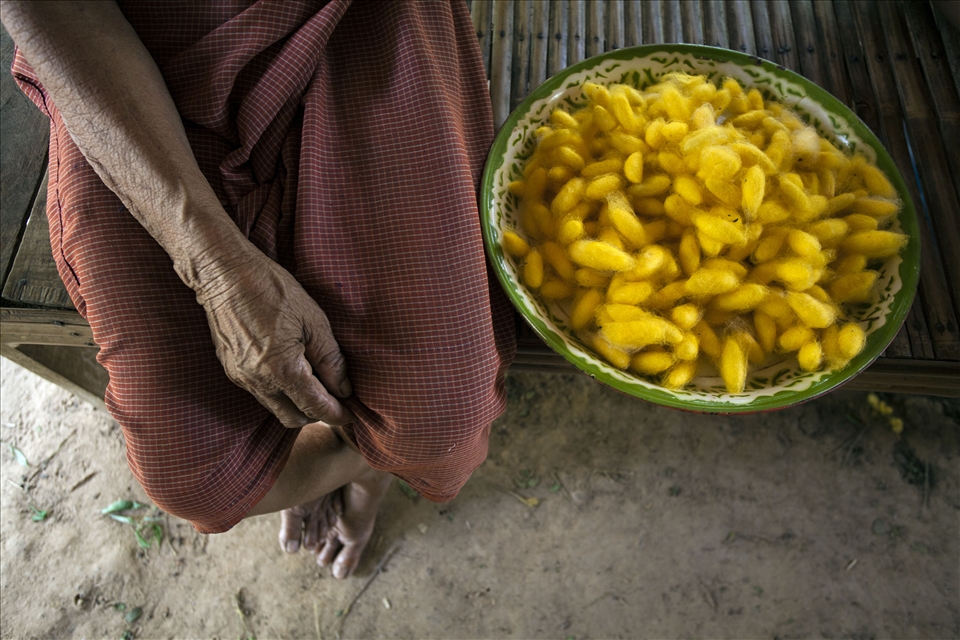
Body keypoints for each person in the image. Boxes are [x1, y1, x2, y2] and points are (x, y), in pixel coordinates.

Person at [1, 0, 515, 579]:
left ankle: (364, 462)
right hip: (127, 57)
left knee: (437, 420)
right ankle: (359, 453)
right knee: (192, 473)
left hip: (366, 16)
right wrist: (215, 266)